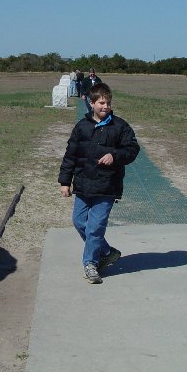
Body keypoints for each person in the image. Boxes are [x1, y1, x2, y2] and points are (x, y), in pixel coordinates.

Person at [58, 82, 140, 284]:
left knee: (95, 227)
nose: (105, 106)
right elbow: (70, 155)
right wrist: (65, 182)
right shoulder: (81, 127)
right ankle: (107, 252)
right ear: (91, 103)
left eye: (108, 103)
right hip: (83, 185)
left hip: (107, 186)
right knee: (79, 222)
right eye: (101, 103)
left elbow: (132, 149)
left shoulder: (120, 126)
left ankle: (91, 264)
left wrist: (115, 155)